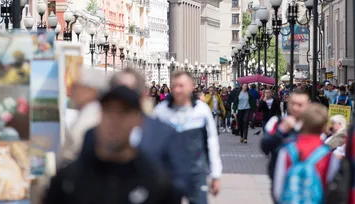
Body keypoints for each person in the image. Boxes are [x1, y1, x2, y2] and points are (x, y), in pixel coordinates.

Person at [43, 82, 181, 204]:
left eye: (123, 112)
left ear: (138, 120)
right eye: (108, 111)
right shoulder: (69, 181)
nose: (114, 121)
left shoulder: (155, 182)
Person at [81, 68, 190, 198]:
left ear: (142, 96)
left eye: (128, 95)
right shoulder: (93, 135)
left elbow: (179, 181)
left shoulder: (164, 134)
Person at [153, 71, 222, 204]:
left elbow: (212, 142)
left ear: (191, 86)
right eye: (175, 86)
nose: (178, 90)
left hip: (196, 172)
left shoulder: (202, 111)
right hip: (168, 174)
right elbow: (151, 144)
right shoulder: (161, 112)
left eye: (182, 86)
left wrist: (216, 174)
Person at [272, 104, 340, 204]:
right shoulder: (328, 155)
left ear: (302, 123)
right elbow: (331, 190)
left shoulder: (287, 150)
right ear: (324, 126)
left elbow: (278, 189)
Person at [261, 87, 311, 179]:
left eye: (300, 105)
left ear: (308, 105)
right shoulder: (277, 122)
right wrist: (281, 130)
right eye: (293, 104)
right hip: (281, 177)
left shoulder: (312, 125)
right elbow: (265, 146)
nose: (295, 108)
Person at [59, 67, 103, 166]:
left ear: (91, 91)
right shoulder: (87, 112)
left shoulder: (92, 116)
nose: (72, 91)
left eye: (76, 87)